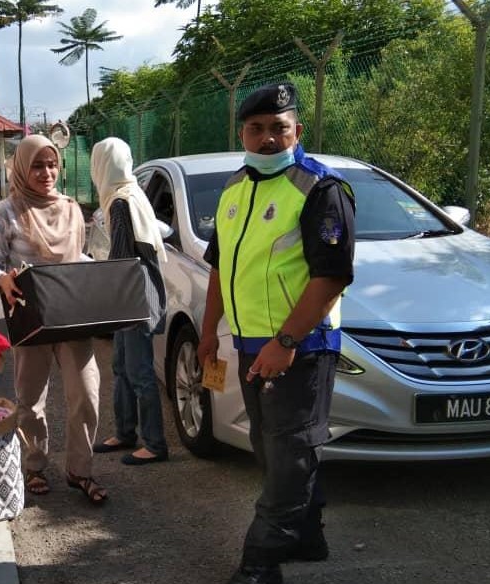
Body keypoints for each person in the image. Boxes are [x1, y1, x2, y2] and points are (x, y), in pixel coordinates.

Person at [197, 82, 355, 584]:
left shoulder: (320, 188)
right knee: (275, 451)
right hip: (248, 346)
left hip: (300, 350)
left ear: (297, 131)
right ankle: (308, 535)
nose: (267, 139)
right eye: (257, 129)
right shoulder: (233, 189)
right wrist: (207, 334)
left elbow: (330, 276)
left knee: (289, 455)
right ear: (242, 133)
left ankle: (260, 561)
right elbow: (220, 270)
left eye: (278, 129)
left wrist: (285, 343)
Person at [0, 134, 108, 505]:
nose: (46, 172)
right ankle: (35, 465)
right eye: (37, 165)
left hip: (71, 317)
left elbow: (77, 258)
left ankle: (80, 470)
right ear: (22, 168)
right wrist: (1, 279)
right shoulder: (8, 211)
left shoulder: (71, 209)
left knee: (86, 392)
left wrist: (98, 276)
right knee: (31, 399)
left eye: (52, 164)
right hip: (30, 317)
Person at [88, 137, 169, 466]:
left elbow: (121, 258)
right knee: (121, 366)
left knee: (138, 372)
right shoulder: (131, 193)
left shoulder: (121, 202)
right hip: (135, 293)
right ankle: (124, 432)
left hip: (134, 296)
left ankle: (155, 443)